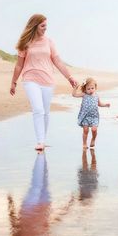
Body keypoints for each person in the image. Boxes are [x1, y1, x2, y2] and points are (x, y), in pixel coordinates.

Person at [9, 14, 78, 150]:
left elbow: (57, 61)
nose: (45, 28)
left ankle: (43, 139)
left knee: (45, 112)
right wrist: (14, 82)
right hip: (30, 79)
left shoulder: (49, 42)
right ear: (35, 26)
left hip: (47, 81)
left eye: (46, 25)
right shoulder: (25, 43)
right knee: (38, 110)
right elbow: (18, 65)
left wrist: (69, 77)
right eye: (42, 26)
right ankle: (40, 142)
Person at [72, 77, 111, 150]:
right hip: (85, 116)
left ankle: (93, 138)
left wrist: (105, 105)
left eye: (92, 88)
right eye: (88, 89)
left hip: (94, 116)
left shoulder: (96, 95)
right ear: (85, 89)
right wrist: (75, 88)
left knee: (94, 130)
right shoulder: (84, 94)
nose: (90, 90)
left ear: (95, 87)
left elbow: (99, 104)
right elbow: (74, 95)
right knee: (85, 130)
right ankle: (84, 143)